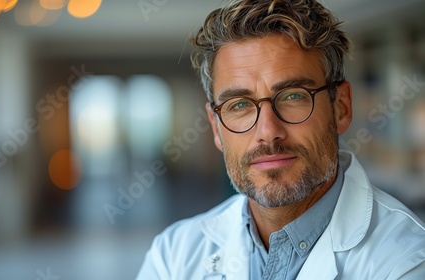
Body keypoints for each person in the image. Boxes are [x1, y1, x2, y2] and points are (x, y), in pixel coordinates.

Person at [136, 0, 425, 279]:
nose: (268, 131)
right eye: (239, 104)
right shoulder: (173, 255)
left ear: (341, 108)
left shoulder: (408, 261)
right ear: (215, 127)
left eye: (293, 96)